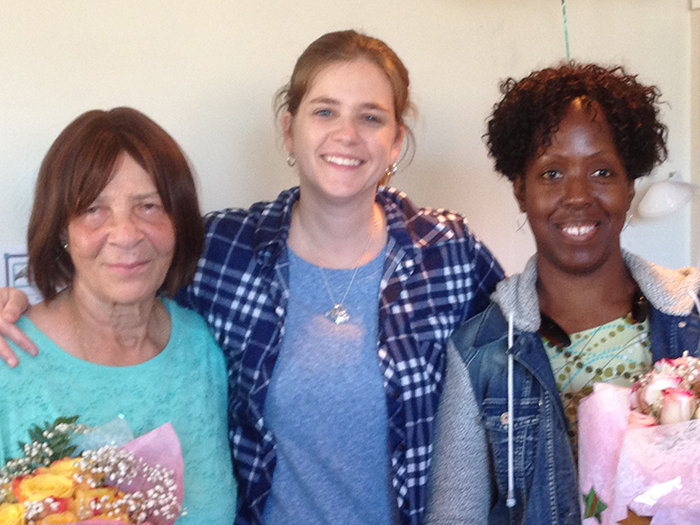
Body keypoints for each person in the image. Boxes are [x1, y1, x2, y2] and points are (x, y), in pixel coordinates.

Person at [0, 31, 504, 525]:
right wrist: (16, 301)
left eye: (371, 117)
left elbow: (521, 346)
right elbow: (117, 285)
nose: (347, 134)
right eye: (325, 111)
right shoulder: (227, 250)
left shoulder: (447, 252)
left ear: (395, 142)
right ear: (289, 130)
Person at [426, 63, 700, 525]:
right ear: (520, 190)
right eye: (552, 173)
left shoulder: (690, 315)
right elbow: (456, 514)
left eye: (601, 171)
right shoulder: (479, 353)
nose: (577, 195)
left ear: (630, 187)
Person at [0, 107, 237, 524]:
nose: (126, 234)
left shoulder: (206, 347)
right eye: (94, 209)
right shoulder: (9, 357)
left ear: (178, 221)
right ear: (61, 229)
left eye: (149, 206)